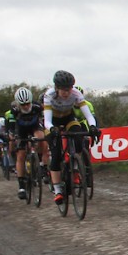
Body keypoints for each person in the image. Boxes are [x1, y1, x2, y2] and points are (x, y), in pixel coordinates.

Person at [43, 71, 99, 205]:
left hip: (69, 118)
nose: (66, 93)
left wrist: (92, 127)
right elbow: (47, 120)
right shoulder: (49, 95)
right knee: (56, 155)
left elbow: (89, 115)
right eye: (63, 90)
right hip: (53, 122)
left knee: (79, 138)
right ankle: (57, 190)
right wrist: (51, 129)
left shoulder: (76, 94)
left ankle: (74, 165)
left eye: (68, 89)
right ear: (56, 88)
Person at [9, 86, 47, 200]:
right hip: (21, 130)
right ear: (18, 104)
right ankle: (21, 186)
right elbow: (11, 127)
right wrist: (12, 135)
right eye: (23, 104)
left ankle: (41, 163)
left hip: (34, 127)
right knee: (21, 155)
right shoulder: (14, 111)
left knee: (41, 138)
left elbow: (45, 120)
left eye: (27, 103)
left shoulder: (37, 107)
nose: (25, 106)